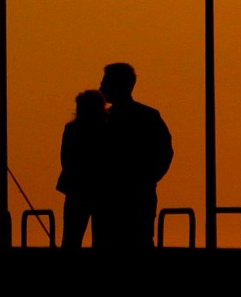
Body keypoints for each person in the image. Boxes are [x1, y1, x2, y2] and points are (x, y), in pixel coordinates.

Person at [94, 62, 172, 250]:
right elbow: (164, 153)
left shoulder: (104, 120)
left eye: (105, 82)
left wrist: (143, 178)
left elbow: (163, 153)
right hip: (133, 196)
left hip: (115, 198)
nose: (100, 87)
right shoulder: (148, 116)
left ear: (117, 85)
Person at [57, 90, 106, 248]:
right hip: (102, 190)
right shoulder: (108, 129)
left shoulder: (72, 130)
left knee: (71, 237)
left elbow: (66, 159)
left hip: (76, 190)